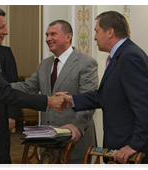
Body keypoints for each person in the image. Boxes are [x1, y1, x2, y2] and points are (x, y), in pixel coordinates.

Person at [0, 6, 70, 168]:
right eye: (1, 27)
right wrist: (48, 101)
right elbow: (5, 93)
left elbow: (3, 88)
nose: (6, 32)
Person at [57, 11, 148, 168]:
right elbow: (107, 95)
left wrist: (134, 145)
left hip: (135, 153)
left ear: (110, 32)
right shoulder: (122, 55)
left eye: (96, 31)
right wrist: (72, 100)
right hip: (123, 150)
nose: (94, 37)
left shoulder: (130, 56)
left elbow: (146, 107)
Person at [11, 20, 98, 168]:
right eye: (46, 35)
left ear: (68, 36)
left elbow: (89, 101)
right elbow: (28, 87)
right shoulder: (44, 64)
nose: (47, 39)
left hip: (75, 141)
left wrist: (76, 127)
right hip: (48, 143)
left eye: (53, 34)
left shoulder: (86, 63)